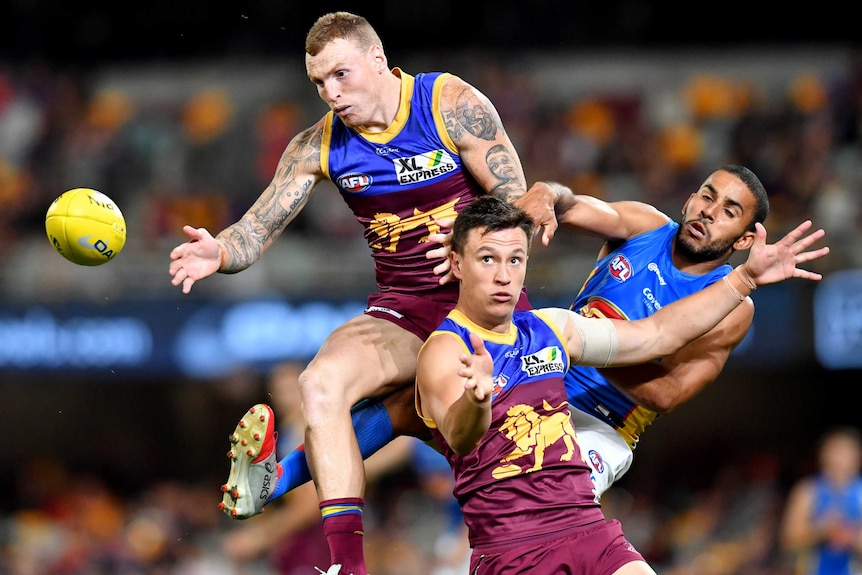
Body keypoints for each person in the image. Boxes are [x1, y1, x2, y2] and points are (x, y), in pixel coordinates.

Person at [168, 12, 561, 575]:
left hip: (481, 313)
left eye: (341, 75)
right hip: (401, 311)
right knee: (319, 383)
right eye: (319, 83)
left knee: (473, 448)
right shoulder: (319, 146)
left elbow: (516, 201)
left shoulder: (446, 103)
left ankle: (280, 478)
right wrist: (222, 252)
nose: (331, 93)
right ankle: (346, 566)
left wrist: (466, 241)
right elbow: (258, 226)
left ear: (378, 60)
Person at [248, 164, 798, 502]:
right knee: (403, 401)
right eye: (707, 194)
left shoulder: (733, 307)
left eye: (728, 211)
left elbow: (666, 393)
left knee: (539, 510)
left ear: (746, 239)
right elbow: (571, 201)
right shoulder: (647, 226)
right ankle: (273, 482)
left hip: (598, 426)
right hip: (540, 379)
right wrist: (544, 195)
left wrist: (588, 333)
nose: (707, 211)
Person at [413, 195, 825, 574]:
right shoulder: (445, 351)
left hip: (589, 531)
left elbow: (658, 335)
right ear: (457, 264)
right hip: (514, 546)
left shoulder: (554, 328)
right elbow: (461, 438)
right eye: (488, 259)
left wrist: (746, 278)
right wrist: (478, 399)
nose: (504, 276)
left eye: (516, 260)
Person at [780, 426, 862, 575]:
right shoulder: (807, 490)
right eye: (835, 451)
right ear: (823, 454)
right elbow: (788, 540)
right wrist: (821, 529)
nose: (840, 459)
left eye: (846, 452)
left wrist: (852, 536)